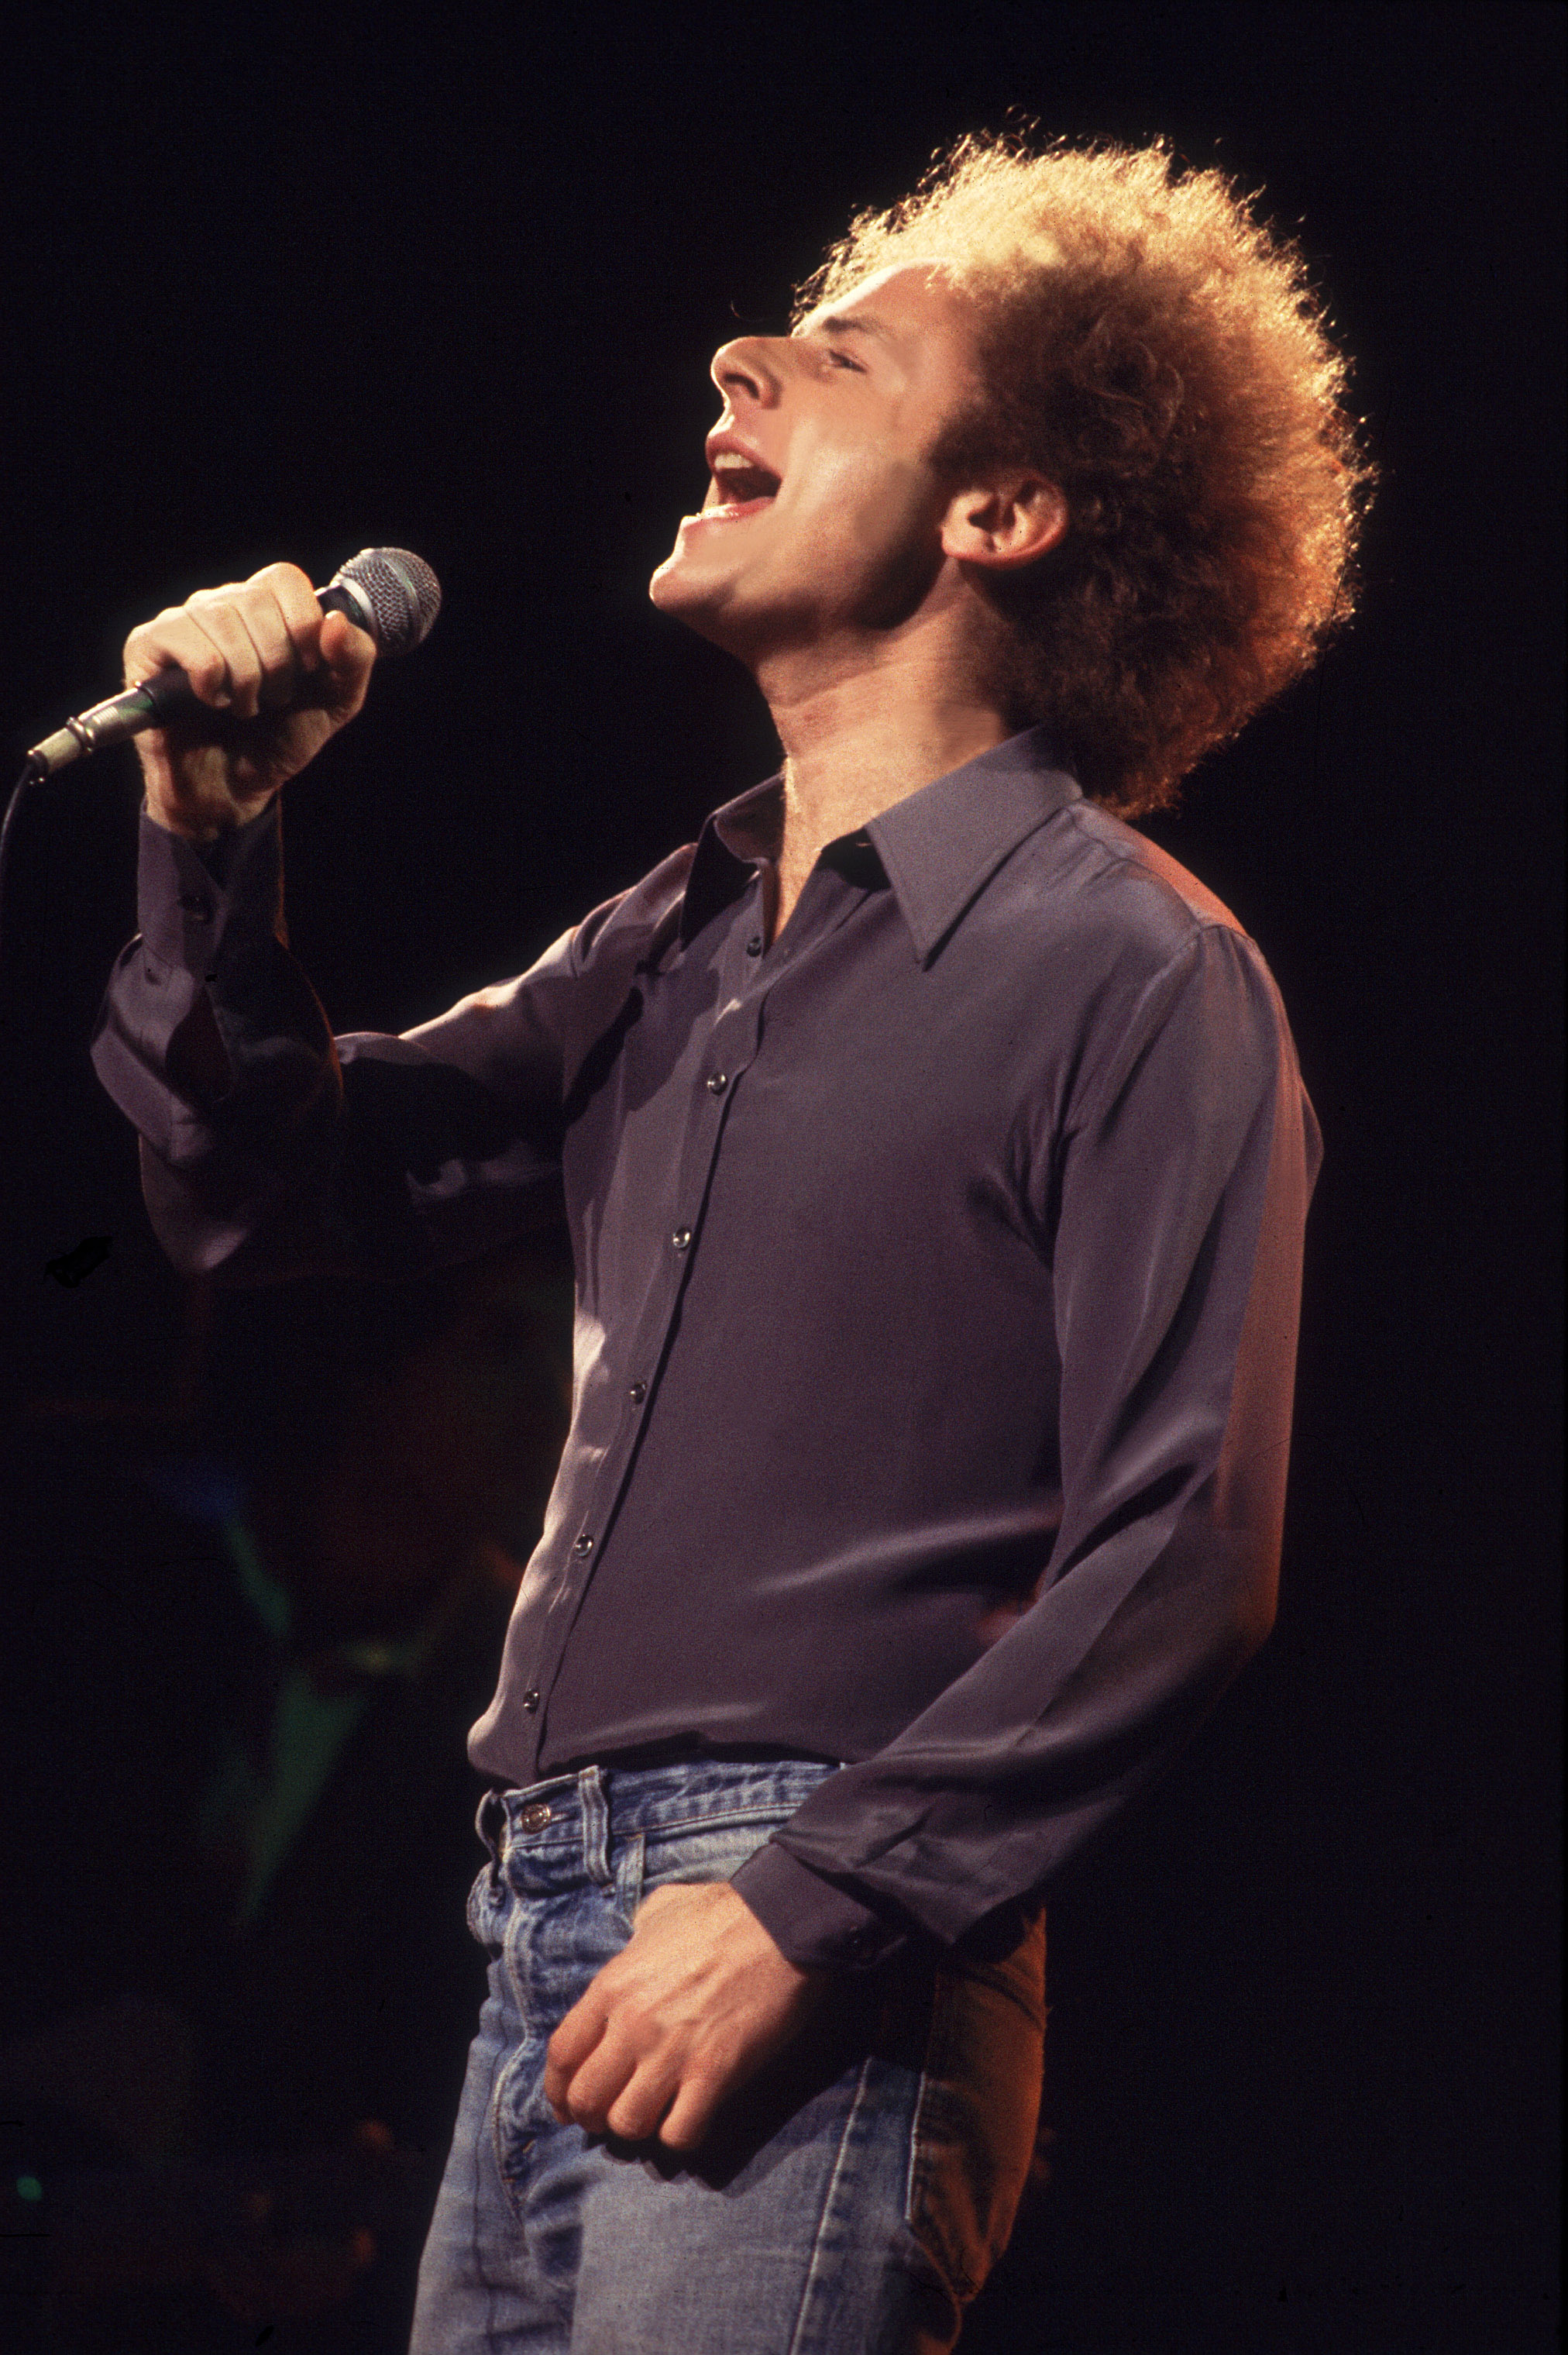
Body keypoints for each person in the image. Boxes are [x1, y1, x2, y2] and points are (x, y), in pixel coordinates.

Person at [91, 133, 1371, 2353]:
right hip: (548, 1939)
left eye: (843, 353)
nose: (738, 356)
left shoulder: (1131, 971)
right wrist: (209, 848)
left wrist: (808, 1903)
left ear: (1007, 510)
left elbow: (1185, 1550)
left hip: (805, 1947)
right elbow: (265, 1191)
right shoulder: (678, 940)